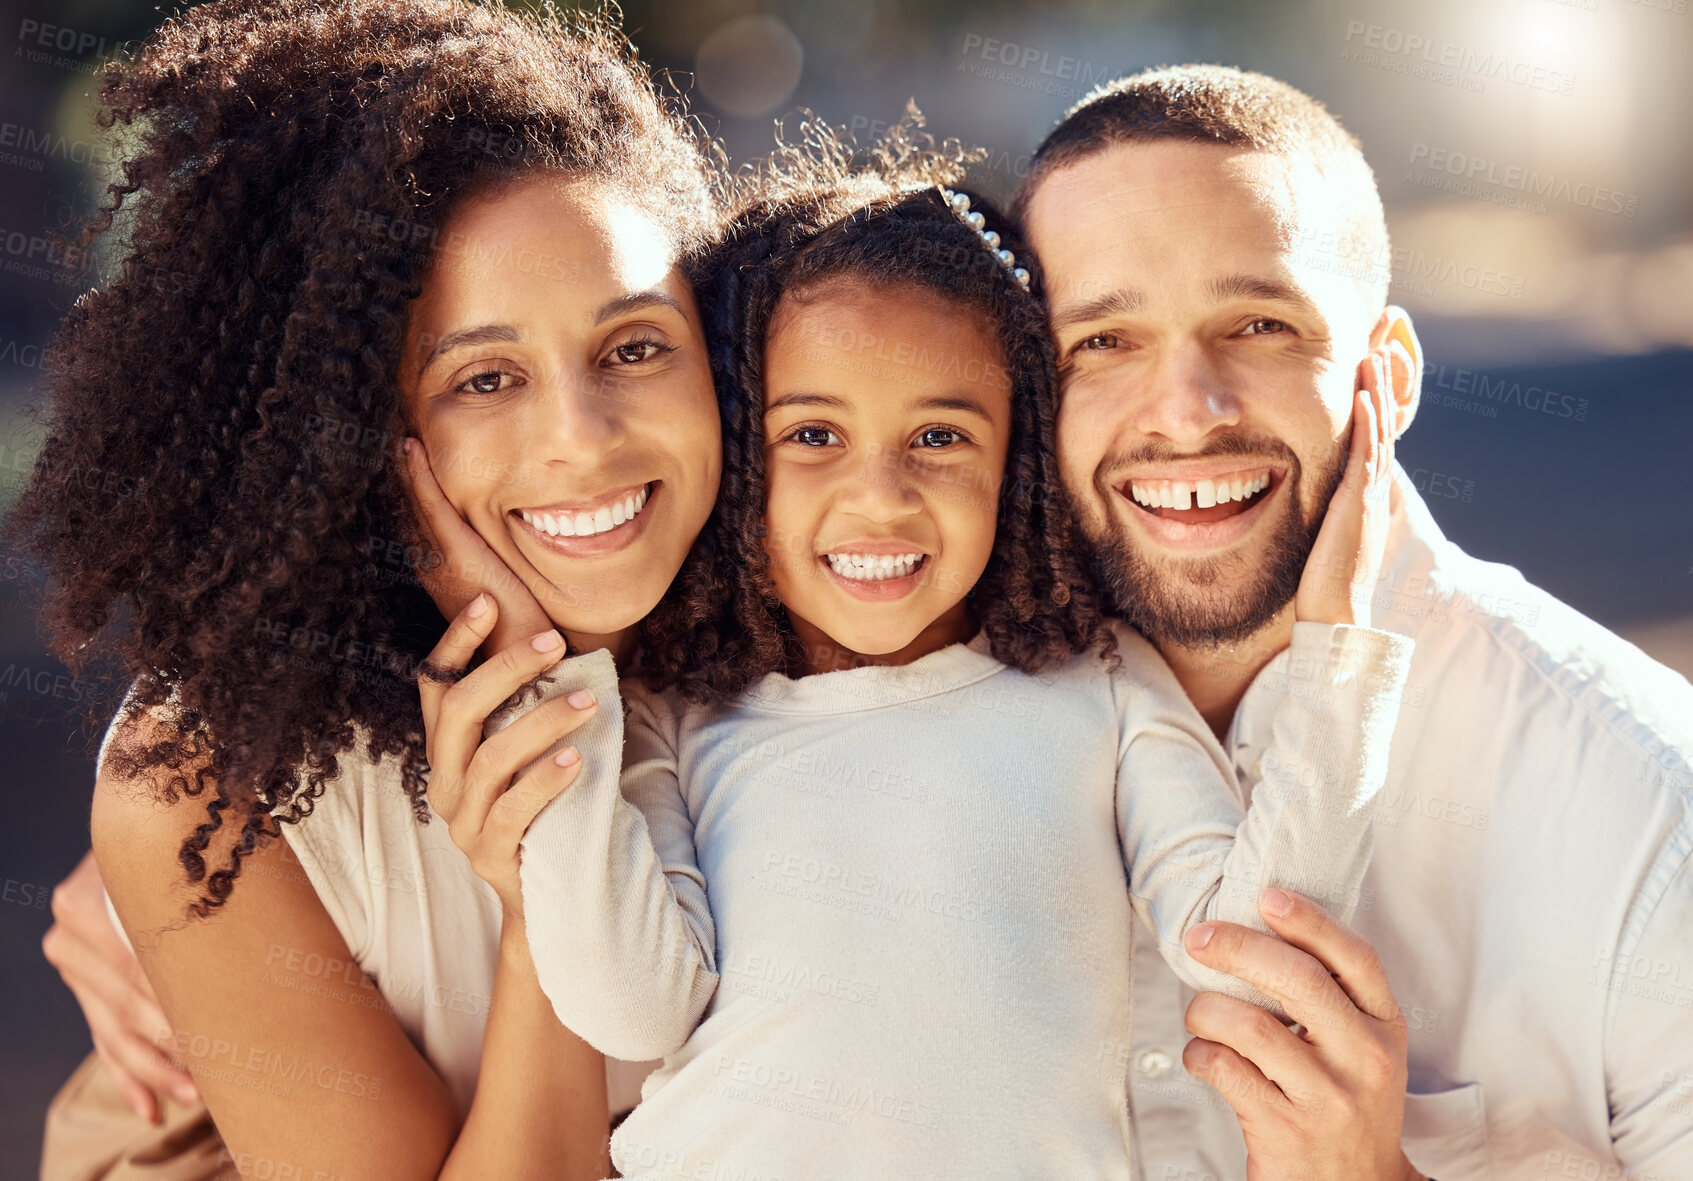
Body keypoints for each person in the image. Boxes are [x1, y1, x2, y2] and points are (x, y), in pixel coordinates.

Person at [454, 131, 1417, 1178]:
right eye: (812, 436)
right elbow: (628, 1004)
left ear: (1020, 465)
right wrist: (550, 687)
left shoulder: (1094, 685)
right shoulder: (671, 718)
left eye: (941, 437)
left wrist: (1337, 649)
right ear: (736, 448)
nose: (880, 496)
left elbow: (1250, 961)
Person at [12, 0, 726, 1177]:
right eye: (483, 378)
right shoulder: (206, 786)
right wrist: (544, 857)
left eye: (636, 346)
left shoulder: (833, 600)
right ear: (355, 433)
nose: (583, 439)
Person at [1014, 64, 1693, 1180]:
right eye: (1102, 341)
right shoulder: (941, 719)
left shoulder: (1647, 810)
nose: (1186, 409)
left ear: (1388, 373)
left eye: (1259, 323)